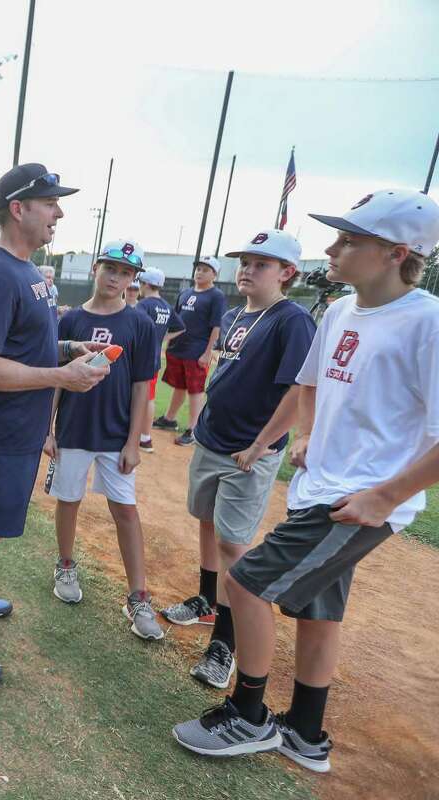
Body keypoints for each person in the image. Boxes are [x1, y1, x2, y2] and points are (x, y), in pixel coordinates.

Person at [173, 189, 439, 774]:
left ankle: (247, 714)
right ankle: (305, 733)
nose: (332, 248)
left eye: (350, 239)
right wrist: (308, 435)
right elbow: (310, 383)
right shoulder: (341, 310)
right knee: (320, 612)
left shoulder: (428, 321)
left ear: (397, 253)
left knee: (245, 583)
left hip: (362, 499)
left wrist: (386, 496)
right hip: (322, 487)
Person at [0, 164, 109, 686]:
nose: (59, 212)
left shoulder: (28, 270)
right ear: (19, 208)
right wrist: (60, 374)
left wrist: (72, 349)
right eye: (50, 202)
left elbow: (24, 346)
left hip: (20, 431)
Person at [160, 229, 315, 692]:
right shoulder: (232, 315)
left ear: (287, 272)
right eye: (245, 261)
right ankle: (208, 601)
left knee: (233, 544)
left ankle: (224, 644)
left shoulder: (292, 320)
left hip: (249, 451)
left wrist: (261, 443)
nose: (247, 269)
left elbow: (298, 389)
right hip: (212, 440)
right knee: (207, 522)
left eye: (261, 263)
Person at [44, 239, 163, 640]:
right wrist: (49, 429)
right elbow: (56, 380)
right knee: (69, 500)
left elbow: (141, 386)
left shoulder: (140, 324)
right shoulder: (70, 320)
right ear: (96, 267)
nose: (116, 277)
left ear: (134, 279)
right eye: (111, 268)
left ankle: (138, 595)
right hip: (75, 429)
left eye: (126, 272)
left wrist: (135, 441)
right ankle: (64, 564)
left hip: (116, 435)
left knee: (125, 511)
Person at [153, 255, 225, 446]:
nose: (200, 272)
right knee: (179, 386)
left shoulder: (215, 296)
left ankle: (194, 430)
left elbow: (216, 327)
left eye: (205, 269)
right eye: (198, 268)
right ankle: (169, 419)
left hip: (197, 351)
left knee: (195, 390)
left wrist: (208, 352)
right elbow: (175, 322)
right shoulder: (185, 293)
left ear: (214, 275)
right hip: (178, 349)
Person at [134, 268, 184, 453]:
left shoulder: (144, 305)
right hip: (154, 359)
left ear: (145, 284)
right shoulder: (165, 305)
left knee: (136, 396)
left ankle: (136, 435)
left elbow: (135, 329)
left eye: (140, 283)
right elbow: (181, 328)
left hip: (139, 358)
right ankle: (145, 438)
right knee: (149, 398)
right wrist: (161, 337)